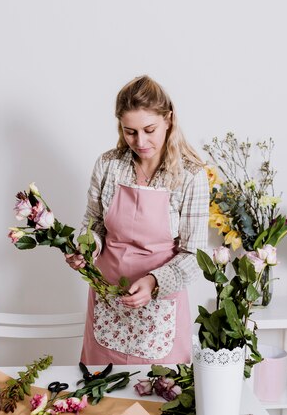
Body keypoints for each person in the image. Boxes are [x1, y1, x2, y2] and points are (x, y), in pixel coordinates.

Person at [65, 75, 209, 365]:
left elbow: (195, 255)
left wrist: (154, 282)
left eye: (149, 130)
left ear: (168, 120)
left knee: (159, 400)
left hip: (160, 308)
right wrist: (85, 249)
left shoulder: (191, 176)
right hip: (108, 299)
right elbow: (93, 224)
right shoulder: (109, 165)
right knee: (103, 400)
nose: (140, 141)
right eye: (130, 132)